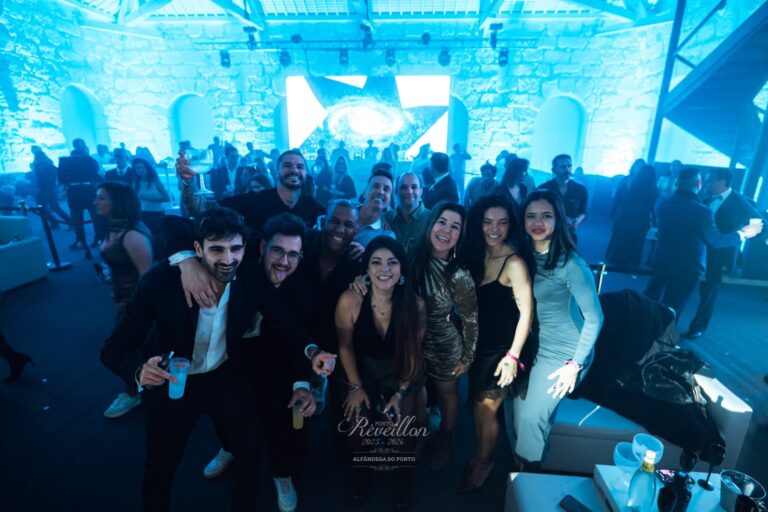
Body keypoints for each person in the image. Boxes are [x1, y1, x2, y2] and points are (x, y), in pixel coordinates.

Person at [100, 207, 315, 512]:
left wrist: (314, 352)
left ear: (245, 249)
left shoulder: (251, 278)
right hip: (172, 382)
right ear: (198, 249)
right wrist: (139, 372)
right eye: (217, 249)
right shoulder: (160, 282)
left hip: (224, 377)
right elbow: (113, 349)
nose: (228, 259)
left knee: (250, 451)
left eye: (235, 249)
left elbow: (287, 323)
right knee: (161, 464)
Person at [199, 214, 318, 512]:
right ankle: (228, 447)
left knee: (281, 418)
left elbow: (300, 338)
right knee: (222, 410)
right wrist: (186, 260)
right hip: (230, 358)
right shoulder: (237, 267)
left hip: (277, 364)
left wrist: (302, 383)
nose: (284, 262)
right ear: (263, 246)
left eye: (293, 255)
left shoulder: (304, 292)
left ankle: (282, 474)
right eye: (278, 251)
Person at [507, 189, 603, 469]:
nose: (538, 222)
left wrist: (575, 364)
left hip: (565, 353)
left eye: (546, 216)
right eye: (531, 216)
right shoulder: (523, 254)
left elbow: (595, 318)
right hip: (534, 345)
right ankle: (525, 469)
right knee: (518, 412)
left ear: (558, 219)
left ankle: (527, 476)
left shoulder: (571, 263)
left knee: (530, 418)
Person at [336, 236, 426, 511]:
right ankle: (361, 473)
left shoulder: (415, 304)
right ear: (366, 269)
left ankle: (402, 478)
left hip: (400, 373)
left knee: (401, 434)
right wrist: (355, 387)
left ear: (401, 269)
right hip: (360, 373)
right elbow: (345, 346)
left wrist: (401, 391)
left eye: (392, 262)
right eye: (376, 262)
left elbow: (413, 354)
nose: (384, 269)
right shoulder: (350, 299)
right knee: (358, 429)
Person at [459, 194, 534, 491]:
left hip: (502, 351)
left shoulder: (514, 262)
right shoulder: (477, 254)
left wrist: (512, 356)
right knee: (479, 404)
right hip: (479, 346)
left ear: (510, 225)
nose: (494, 229)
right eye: (488, 222)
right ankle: (482, 452)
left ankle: (484, 461)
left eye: (502, 223)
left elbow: (527, 313)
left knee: (486, 408)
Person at [411, 201, 478, 472]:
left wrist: (467, 357)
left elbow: (471, 319)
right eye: (442, 222)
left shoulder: (459, 274)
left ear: (461, 234)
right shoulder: (411, 258)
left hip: (444, 343)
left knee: (447, 393)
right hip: (412, 341)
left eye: (455, 226)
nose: (446, 231)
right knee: (415, 392)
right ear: (431, 224)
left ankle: (445, 439)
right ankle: (421, 433)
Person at [645, 167, 763, 319]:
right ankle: (661, 333)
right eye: (705, 181)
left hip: (663, 260)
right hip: (688, 266)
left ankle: (644, 331)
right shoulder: (702, 208)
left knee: (650, 300)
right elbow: (715, 240)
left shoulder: (662, 203)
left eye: (709, 181)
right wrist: (744, 233)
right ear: (698, 184)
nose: (706, 184)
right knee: (671, 307)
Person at [95, 182, 154, 419]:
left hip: (135, 304)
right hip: (124, 299)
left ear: (117, 201)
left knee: (121, 351)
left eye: (102, 198)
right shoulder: (113, 228)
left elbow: (147, 279)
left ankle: (133, 392)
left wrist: (133, 308)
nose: (96, 202)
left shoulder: (132, 234)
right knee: (132, 349)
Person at [683, 169, 764, 338]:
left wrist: (744, 234)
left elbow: (761, 225)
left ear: (722, 182)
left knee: (708, 293)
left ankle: (697, 327)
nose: (705, 184)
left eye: (709, 180)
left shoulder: (741, 202)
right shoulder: (706, 199)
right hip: (699, 253)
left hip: (722, 255)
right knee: (688, 287)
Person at [181, 149, 325, 233]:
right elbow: (199, 208)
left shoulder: (316, 210)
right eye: (287, 166)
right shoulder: (253, 201)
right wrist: (187, 180)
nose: (294, 170)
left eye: (300, 167)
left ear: (306, 173)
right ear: (276, 171)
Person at [605, 164, 657, 269]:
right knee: (637, 241)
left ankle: (615, 259)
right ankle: (632, 262)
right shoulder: (653, 188)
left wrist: (614, 210)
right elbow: (652, 205)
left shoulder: (629, 183)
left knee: (620, 237)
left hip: (624, 213)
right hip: (641, 217)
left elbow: (618, 197)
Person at [64, 138, 103, 257]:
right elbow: (96, 174)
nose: (77, 147)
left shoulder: (68, 161)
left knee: (84, 219)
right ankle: (91, 240)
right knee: (93, 218)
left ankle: (90, 241)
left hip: (76, 192)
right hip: (87, 191)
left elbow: (62, 178)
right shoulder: (90, 160)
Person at [538, 154, 588, 243]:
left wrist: (577, 221)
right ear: (554, 170)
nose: (567, 170)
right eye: (563, 167)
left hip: (569, 234)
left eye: (569, 166)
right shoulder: (543, 189)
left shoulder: (581, 189)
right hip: (547, 233)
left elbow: (583, 212)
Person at [383, 171, 430, 255]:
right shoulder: (385, 219)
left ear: (421, 191)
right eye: (404, 187)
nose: (409, 191)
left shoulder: (432, 219)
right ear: (396, 192)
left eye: (414, 187)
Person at [133, 158, 170, 257]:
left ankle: (161, 257)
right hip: (143, 213)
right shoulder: (135, 183)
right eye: (137, 168)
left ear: (147, 168)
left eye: (142, 167)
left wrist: (148, 197)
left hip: (157, 213)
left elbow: (167, 198)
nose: (140, 170)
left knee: (158, 237)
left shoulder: (155, 181)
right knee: (146, 236)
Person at [30, 145, 71, 229]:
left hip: (49, 188)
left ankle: (68, 222)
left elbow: (54, 177)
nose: (37, 158)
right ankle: (55, 222)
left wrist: (54, 187)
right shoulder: (37, 166)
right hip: (41, 188)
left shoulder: (49, 166)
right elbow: (37, 178)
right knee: (42, 207)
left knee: (54, 206)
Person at [355, 169, 395, 247]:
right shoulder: (343, 211)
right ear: (364, 192)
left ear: (390, 200)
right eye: (376, 186)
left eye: (386, 189)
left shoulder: (387, 237)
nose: (380, 192)